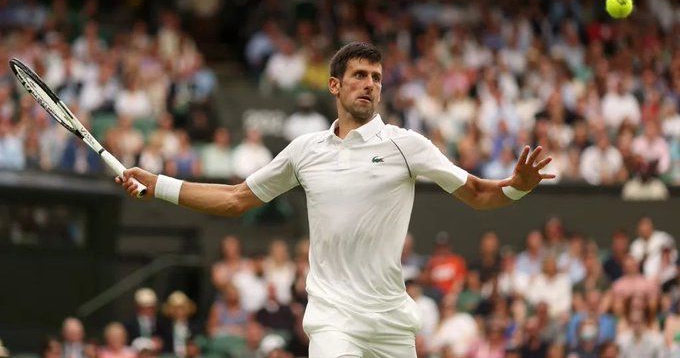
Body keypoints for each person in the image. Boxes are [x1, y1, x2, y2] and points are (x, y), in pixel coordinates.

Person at [117, 42, 555, 357]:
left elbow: (479, 194)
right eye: (359, 76)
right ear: (334, 85)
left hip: (390, 322)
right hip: (332, 318)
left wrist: (517, 186)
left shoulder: (408, 145)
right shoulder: (305, 151)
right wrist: (159, 183)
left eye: (376, 78)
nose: (369, 85)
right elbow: (235, 198)